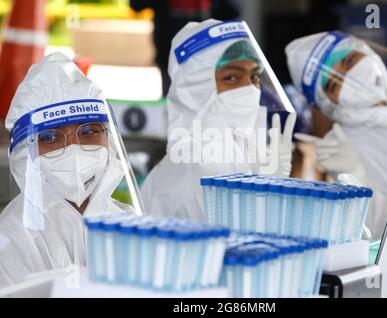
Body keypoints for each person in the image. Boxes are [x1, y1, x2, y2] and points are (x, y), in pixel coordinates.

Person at [286, 31, 387, 240]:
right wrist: (356, 176)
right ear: (327, 103)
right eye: (334, 85)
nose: (350, 77)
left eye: (349, 60)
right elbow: (380, 233)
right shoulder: (346, 147)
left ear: (365, 51)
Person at [0, 53, 136, 286]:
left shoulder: (130, 224)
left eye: (88, 131)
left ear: (109, 141)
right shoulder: (11, 242)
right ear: (26, 153)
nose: (74, 149)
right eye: (51, 136)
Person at [141, 19, 296, 221]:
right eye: (232, 77)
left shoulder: (248, 155)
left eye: (255, 77)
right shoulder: (178, 180)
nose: (250, 89)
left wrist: (270, 187)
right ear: (196, 90)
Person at [129, 0, 239, 96]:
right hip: (171, 57)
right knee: (173, 106)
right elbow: (136, 4)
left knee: (201, 106)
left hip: (203, 58)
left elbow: (232, 12)